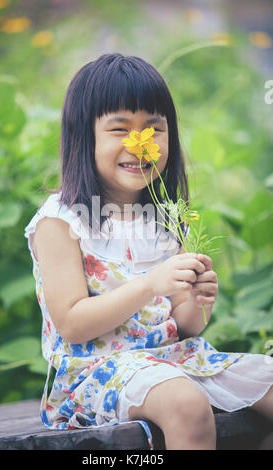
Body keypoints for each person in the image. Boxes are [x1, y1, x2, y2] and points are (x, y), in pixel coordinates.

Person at [24, 53, 273, 450]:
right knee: (186, 403)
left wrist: (199, 299)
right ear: (81, 136)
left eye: (154, 129)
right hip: (96, 373)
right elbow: (71, 324)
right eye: (120, 129)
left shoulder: (167, 218)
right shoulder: (61, 221)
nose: (140, 144)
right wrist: (148, 284)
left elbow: (186, 326)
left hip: (172, 359)